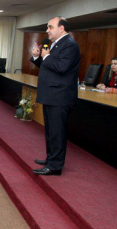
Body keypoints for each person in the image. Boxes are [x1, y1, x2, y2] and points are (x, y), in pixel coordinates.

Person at [30, 16, 80, 176]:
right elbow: (48, 66)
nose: (47, 30)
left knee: (57, 132)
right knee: (51, 130)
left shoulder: (70, 45)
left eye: (50, 27)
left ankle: (55, 166)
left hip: (60, 97)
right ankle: (51, 159)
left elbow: (62, 67)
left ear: (62, 28)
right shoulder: (56, 44)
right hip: (52, 95)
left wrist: (47, 56)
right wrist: (38, 57)